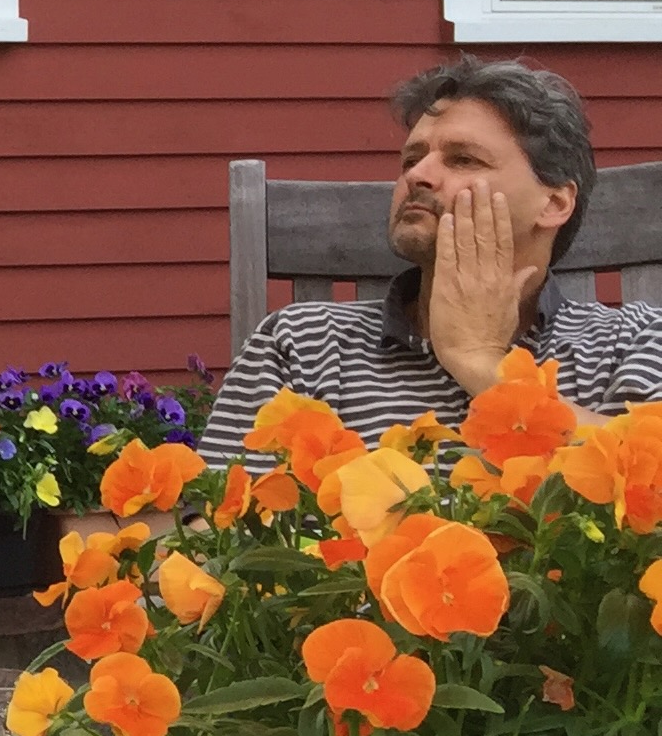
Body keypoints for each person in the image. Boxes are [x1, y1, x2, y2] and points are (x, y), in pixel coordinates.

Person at [200, 58, 662, 457]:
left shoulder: (633, 341)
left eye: (463, 160)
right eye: (411, 159)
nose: (417, 175)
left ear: (554, 203)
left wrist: (482, 364)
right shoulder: (303, 345)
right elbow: (212, 524)